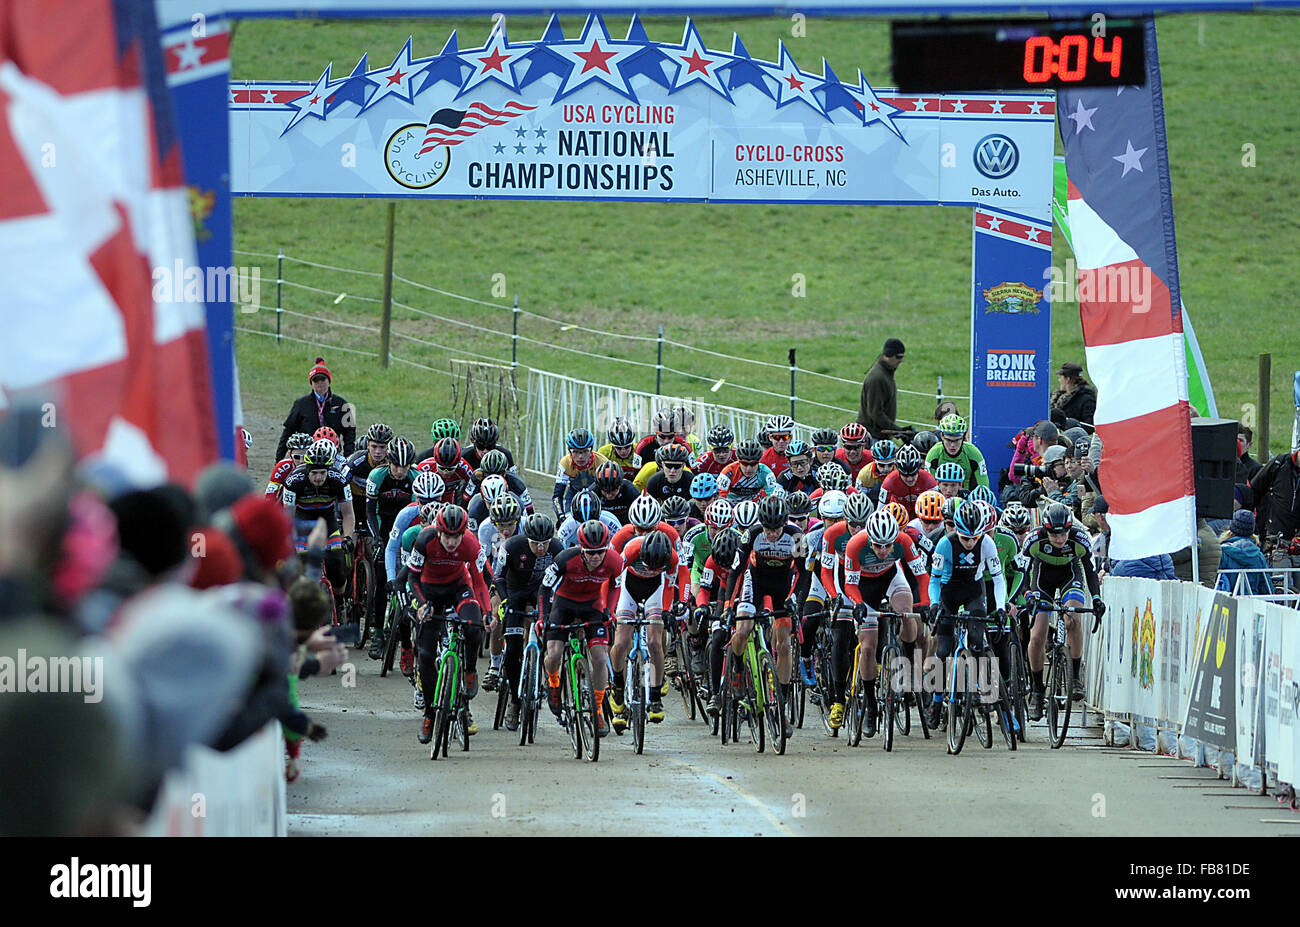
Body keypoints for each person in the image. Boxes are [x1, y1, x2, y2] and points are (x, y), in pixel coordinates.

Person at [275, 357, 356, 460]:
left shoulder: (342, 403)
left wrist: (348, 458)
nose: (319, 383)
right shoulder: (301, 404)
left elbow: (350, 433)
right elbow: (288, 431)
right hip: (306, 455)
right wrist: (279, 459)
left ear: (329, 381)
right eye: (315, 380)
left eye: (323, 379)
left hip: (333, 455)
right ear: (311, 383)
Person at [857, 338, 908, 438]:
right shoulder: (878, 378)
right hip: (873, 436)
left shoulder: (885, 374)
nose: (901, 361)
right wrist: (897, 430)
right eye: (898, 357)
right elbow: (876, 413)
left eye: (902, 357)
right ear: (888, 355)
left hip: (878, 434)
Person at [1216, 510, 1272, 596]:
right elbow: (1267, 588)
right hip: (1252, 604)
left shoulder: (1222, 552)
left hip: (1228, 604)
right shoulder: (1259, 556)